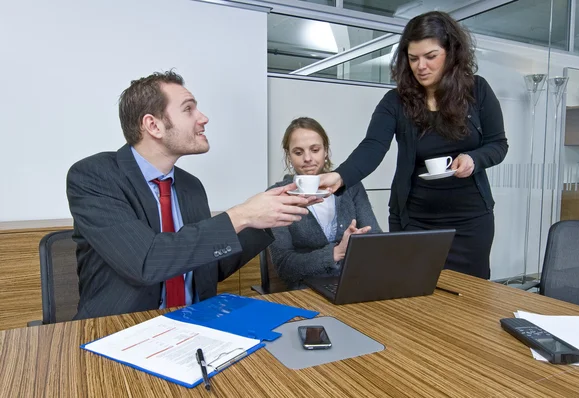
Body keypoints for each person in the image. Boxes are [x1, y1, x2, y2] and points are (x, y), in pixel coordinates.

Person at [66, 71, 317, 319]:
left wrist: (271, 217)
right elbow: (146, 262)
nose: (203, 118)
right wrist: (241, 214)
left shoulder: (191, 186)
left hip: (194, 325)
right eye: (188, 109)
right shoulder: (94, 176)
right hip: (118, 331)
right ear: (153, 125)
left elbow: (206, 267)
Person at [319, 11, 508, 279]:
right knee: (412, 297)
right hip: (414, 222)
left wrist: (474, 159)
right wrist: (340, 176)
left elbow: (498, 144)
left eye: (431, 56)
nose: (421, 66)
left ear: (451, 53)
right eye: (413, 58)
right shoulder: (395, 102)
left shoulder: (477, 91)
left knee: (469, 302)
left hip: (470, 223)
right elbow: (372, 147)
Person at [268, 117, 381, 287]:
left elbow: (375, 239)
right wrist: (336, 253)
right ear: (288, 155)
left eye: (315, 150)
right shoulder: (278, 195)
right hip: (305, 289)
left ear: (326, 151)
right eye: (298, 152)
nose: (307, 158)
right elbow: (285, 267)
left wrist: (360, 241)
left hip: (354, 282)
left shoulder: (350, 186)